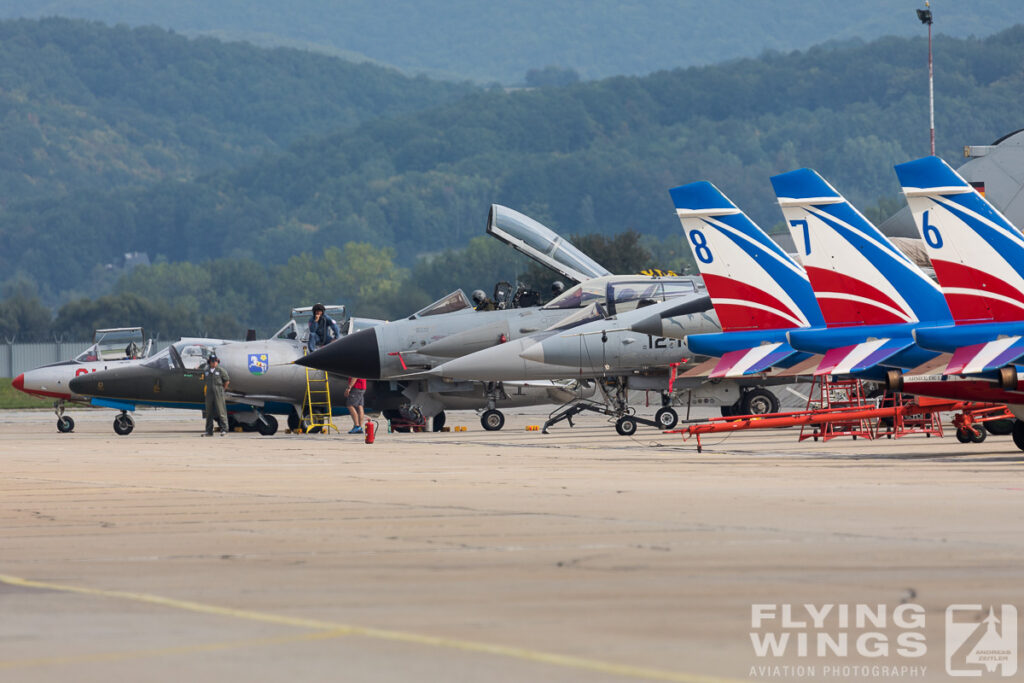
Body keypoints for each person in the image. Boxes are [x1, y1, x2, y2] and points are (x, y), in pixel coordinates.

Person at [203, 353, 231, 436]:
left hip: (218, 391)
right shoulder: (206, 371)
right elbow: (205, 380)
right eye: (212, 361)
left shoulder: (221, 370)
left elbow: (227, 381)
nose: (214, 363)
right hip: (209, 393)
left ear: (217, 361)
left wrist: (223, 389)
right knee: (208, 412)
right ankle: (209, 431)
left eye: (215, 361)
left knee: (221, 410)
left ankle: (224, 429)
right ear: (209, 362)